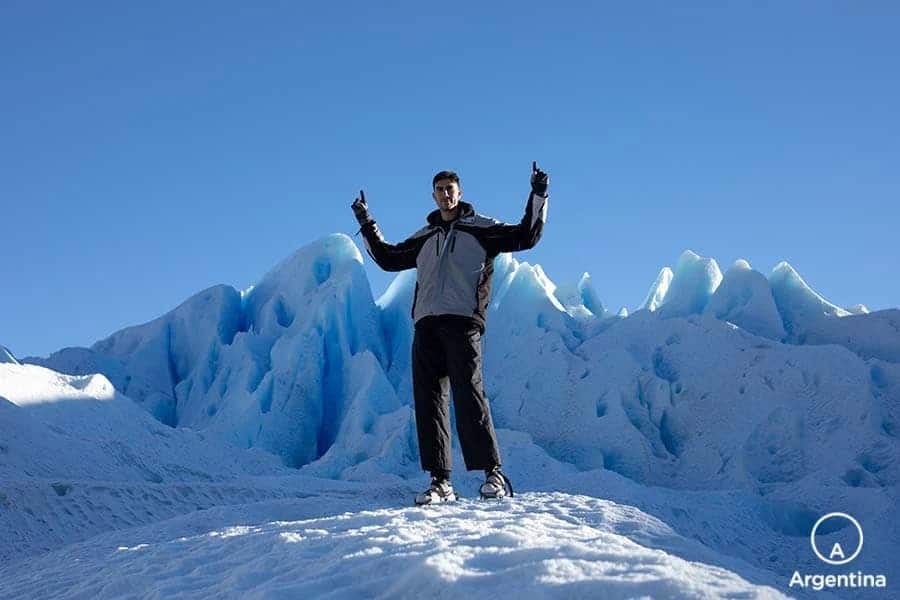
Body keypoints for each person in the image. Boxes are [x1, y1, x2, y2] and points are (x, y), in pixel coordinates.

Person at [351, 162, 549, 504]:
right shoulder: (424, 236)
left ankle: (493, 474)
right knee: (429, 402)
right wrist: (366, 222)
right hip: (426, 325)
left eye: (451, 189)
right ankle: (440, 481)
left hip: (463, 323)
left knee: (469, 394)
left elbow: (526, 235)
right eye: (440, 189)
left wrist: (539, 192)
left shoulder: (481, 228)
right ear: (433, 195)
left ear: (460, 193)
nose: (446, 194)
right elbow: (387, 258)